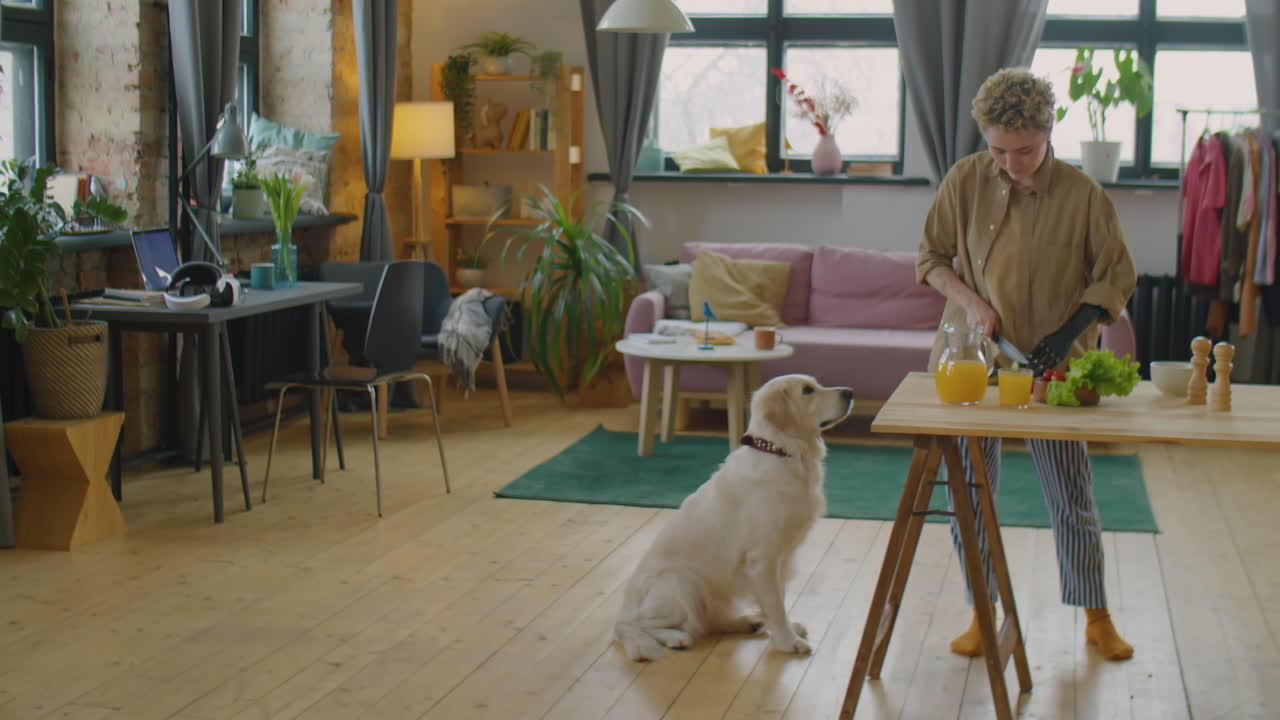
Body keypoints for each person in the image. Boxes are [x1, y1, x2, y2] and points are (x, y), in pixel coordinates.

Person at [915, 67, 1137, 661]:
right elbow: (930, 259)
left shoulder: (1083, 194)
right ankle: (982, 613)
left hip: (1053, 371)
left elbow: (1115, 276)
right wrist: (972, 303)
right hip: (972, 361)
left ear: (1049, 133)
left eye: (1025, 152)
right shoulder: (964, 179)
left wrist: (1066, 336)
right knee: (969, 492)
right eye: (999, 151)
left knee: (1071, 492)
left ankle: (1096, 615)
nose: (1011, 164)